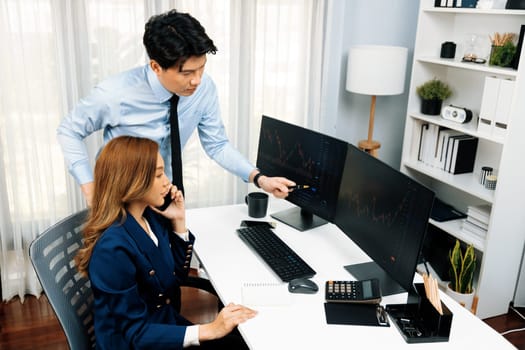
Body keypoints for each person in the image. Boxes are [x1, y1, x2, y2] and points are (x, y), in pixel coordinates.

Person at [57, 9, 294, 206]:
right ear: (156, 66)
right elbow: (69, 130)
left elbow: (217, 144)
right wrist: (89, 187)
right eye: (187, 73)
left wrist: (259, 178)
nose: (197, 81)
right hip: (121, 198)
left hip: (166, 194)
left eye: (202, 68)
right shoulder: (115, 94)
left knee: (173, 259)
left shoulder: (204, 89)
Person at [75, 136, 256, 349]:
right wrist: (209, 329)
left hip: (164, 326)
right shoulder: (112, 250)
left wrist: (179, 221)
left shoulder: (149, 217)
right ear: (132, 182)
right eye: (159, 174)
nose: (168, 182)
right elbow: (136, 333)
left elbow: (174, 277)